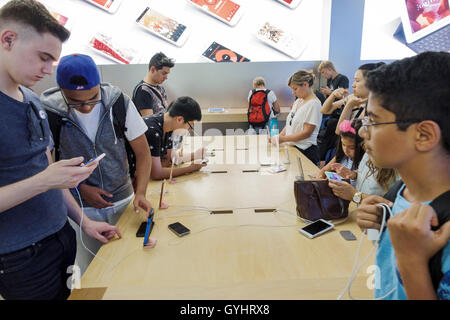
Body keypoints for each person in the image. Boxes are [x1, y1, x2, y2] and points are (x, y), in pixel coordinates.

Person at [0, 0, 120, 300]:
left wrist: (84, 220)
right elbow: (46, 178)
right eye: (42, 57)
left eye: (53, 60)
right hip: (19, 257)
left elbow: (50, 175)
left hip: (62, 237)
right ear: (8, 39)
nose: (48, 69)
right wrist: (46, 179)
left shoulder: (31, 98)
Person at [41, 53, 153, 274]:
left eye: (92, 98)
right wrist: (79, 188)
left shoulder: (118, 102)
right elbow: (46, 169)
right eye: (75, 102)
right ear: (62, 90)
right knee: (89, 271)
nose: (85, 107)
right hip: (79, 210)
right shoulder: (49, 111)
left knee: (130, 266)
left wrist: (141, 193)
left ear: (99, 86)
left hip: (123, 204)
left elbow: (143, 153)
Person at [354, 51, 450, 300]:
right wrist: (380, 226)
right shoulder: (399, 192)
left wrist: (411, 260)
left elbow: (406, 262)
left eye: (373, 121)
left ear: (424, 135)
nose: (363, 132)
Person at [318, 121, 399, 204]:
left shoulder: (399, 170)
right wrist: (354, 174)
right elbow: (364, 172)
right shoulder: (368, 153)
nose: (366, 150)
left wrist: (354, 195)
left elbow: (391, 205)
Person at [144, 96, 207, 180]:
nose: (189, 130)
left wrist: (195, 155)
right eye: (190, 125)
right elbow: (156, 174)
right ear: (179, 119)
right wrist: (190, 169)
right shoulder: (152, 130)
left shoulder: (168, 126)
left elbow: (168, 161)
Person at [270, 70, 322, 166]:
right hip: (293, 147)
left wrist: (283, 139)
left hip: (306, 152)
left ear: (305, 85)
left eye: (295, 89)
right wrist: (278, 138)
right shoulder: (299, 101)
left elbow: (306, 133)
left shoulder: (314, 104)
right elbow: (290, 123)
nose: (293, 92)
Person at [335, 62, 385, 135]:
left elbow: (341, 131)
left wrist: (349, 105)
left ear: (372, 83)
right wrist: (349, 105)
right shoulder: (358, 102)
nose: (353, 85)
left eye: (357, 81)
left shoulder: (377, 109)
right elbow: (339, 131)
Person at [316, 120, 365, 185]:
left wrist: (353, 174)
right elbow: (324, 170)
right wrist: (320, 177)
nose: (346, 150)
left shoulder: (365, 163)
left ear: (363, 146)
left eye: (352, 148)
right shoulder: (341, 155)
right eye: (343, 144)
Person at [132, 52, 175, 117]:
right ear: (153, 69)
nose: (166, 77)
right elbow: (149, 123)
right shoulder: (143, 91)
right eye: (164, 73)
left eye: (167, 74)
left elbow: (166, 111)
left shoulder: (161, 88)